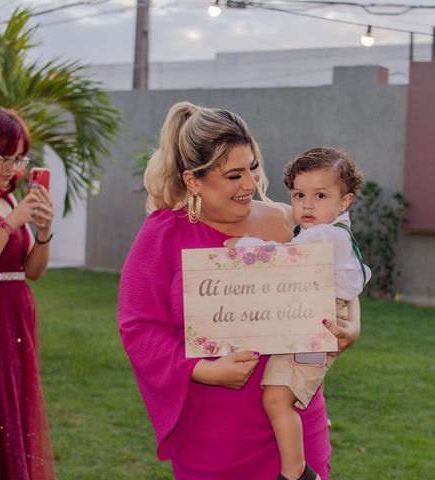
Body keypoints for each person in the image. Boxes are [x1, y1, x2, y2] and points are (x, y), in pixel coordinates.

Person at [118, 101, 361, 480]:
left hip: (294, 424)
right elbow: (139, 329)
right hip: (214, 437)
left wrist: (353, 326)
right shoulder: (163, 234)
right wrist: (202, 370)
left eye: (252, 168)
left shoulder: (287, 221)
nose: (250, 184)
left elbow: (341, 273)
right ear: (193, 180)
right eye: (234, 176)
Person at [229, 147, 371, 480]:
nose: (307, 204)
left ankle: (296, 473)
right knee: (277, 397)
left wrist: (243, 246)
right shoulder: (334, 234)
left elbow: (282, 260)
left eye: (320, 195)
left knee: (278, 399)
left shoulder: (324, 235)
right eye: (298, 194)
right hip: (311, 319)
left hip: (314, 325)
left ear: (345, 202)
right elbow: (359, 275)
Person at [0, 106, 56, 479]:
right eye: (5, 156)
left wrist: (43, 231)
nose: (13, 167)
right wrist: (10, 224)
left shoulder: (8, 199)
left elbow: (32, 273)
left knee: (12, 411)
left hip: (16, 319)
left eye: (20, 157)